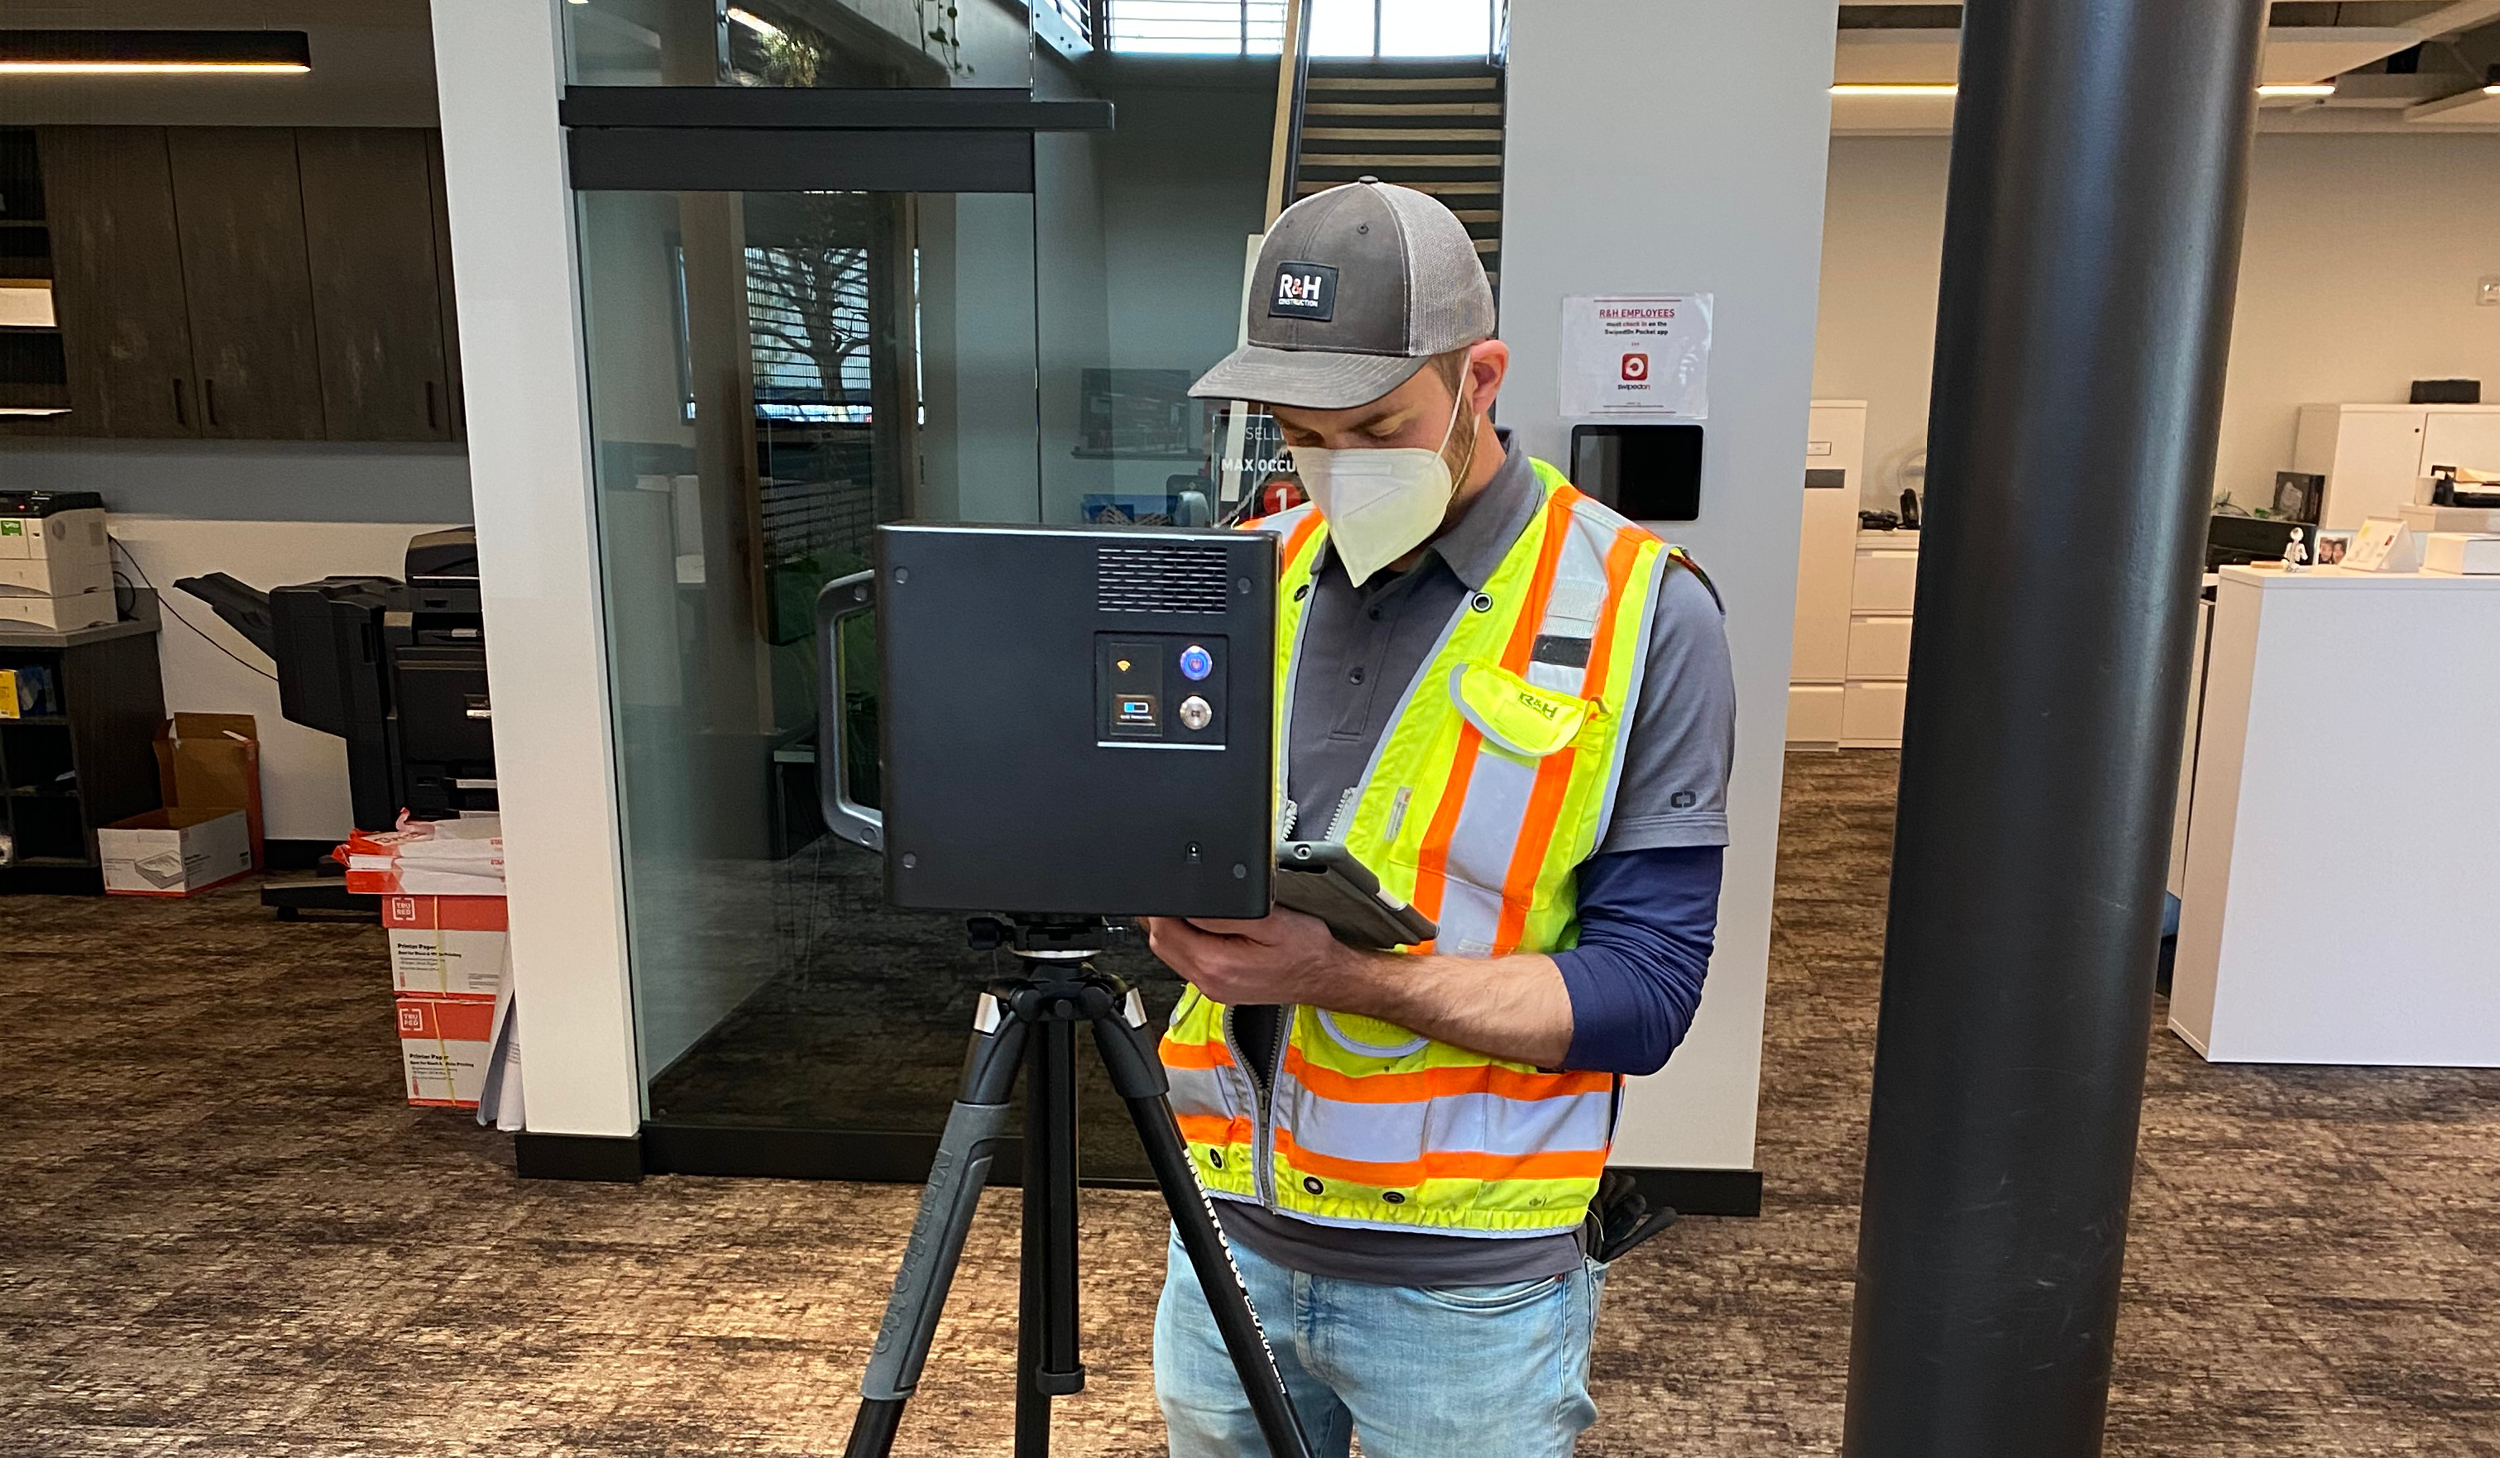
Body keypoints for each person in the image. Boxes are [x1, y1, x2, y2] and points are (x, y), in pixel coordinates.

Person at [1142, 179, 1736, 1458]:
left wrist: (1344, 975)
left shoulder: (1644, 611)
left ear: (1481, 378)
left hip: (1468, 1288)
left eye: (1376, 426)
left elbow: (1646, 995)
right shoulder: (1252, 574)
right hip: (1225, 1236)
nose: (1337, 468)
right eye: (1301, 434)